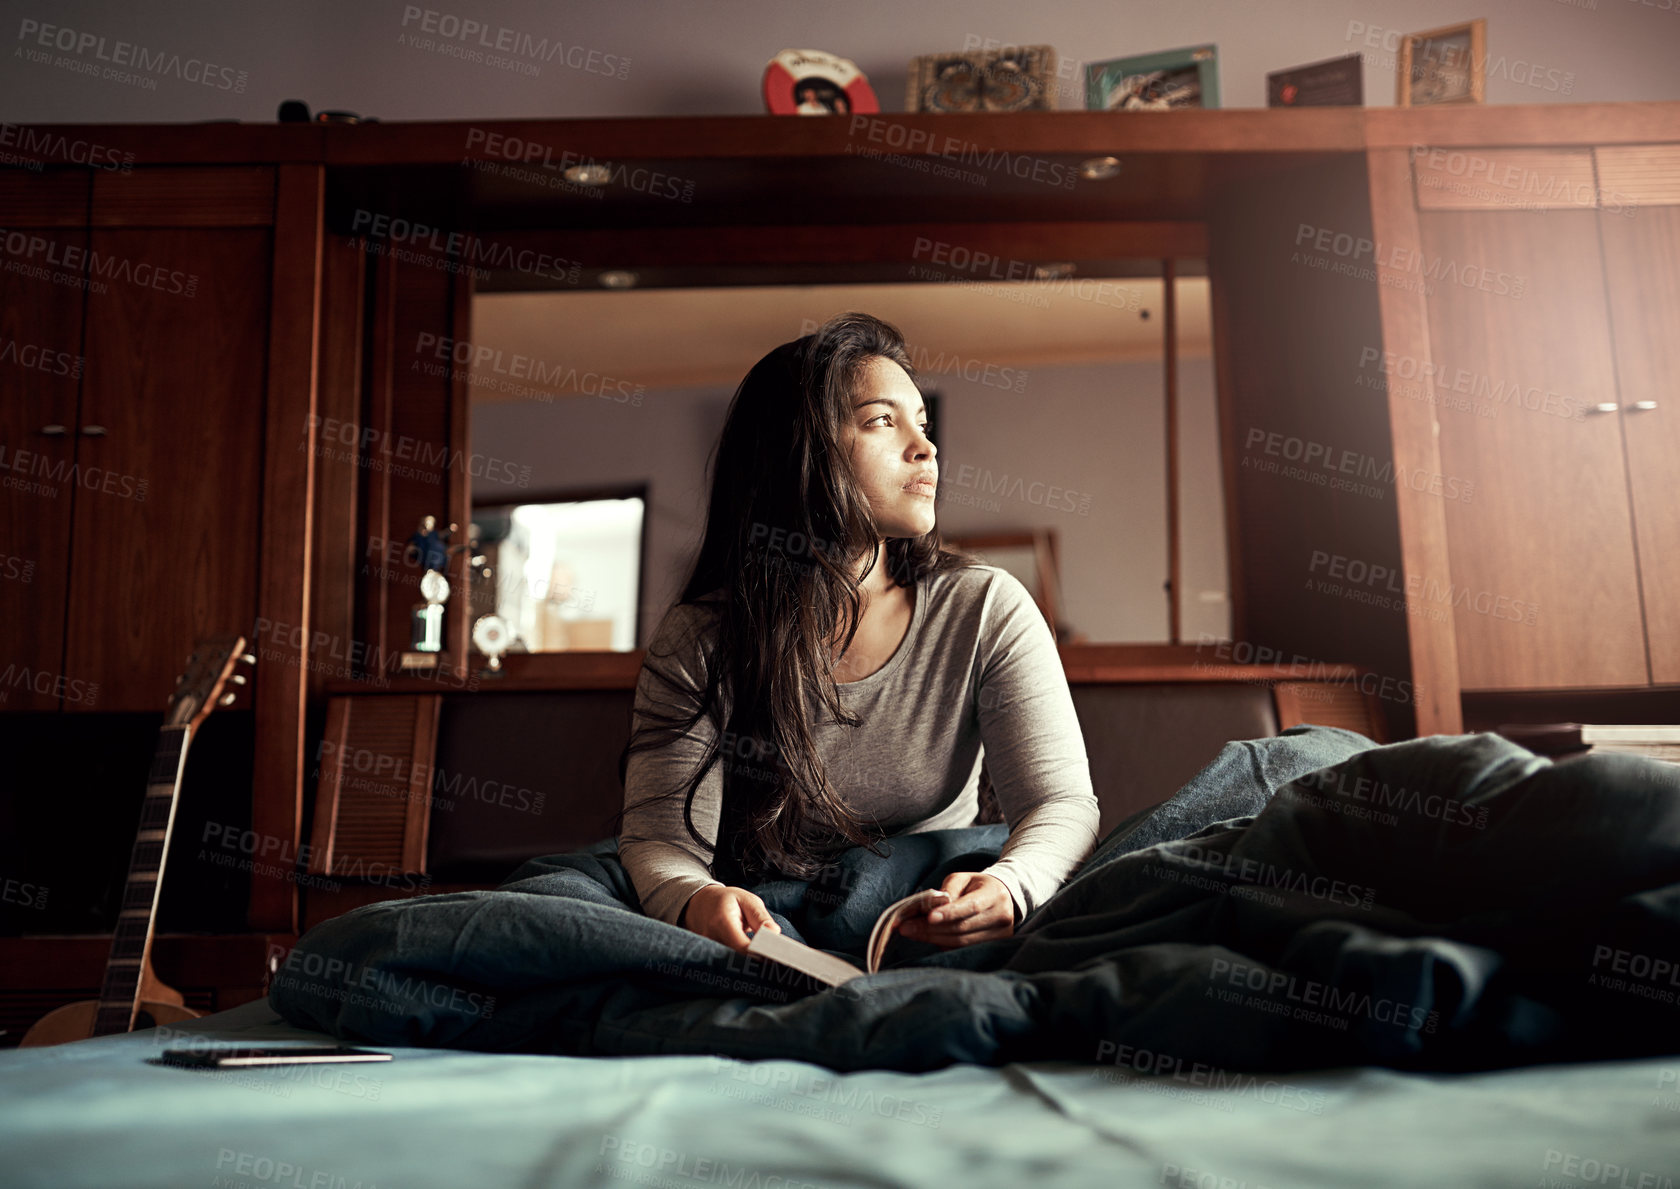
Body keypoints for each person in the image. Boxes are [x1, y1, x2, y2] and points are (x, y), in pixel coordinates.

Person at [614, 312, 1100, 957]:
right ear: (797, 450)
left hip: (925, 901)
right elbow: (662, 844)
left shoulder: (984, 606)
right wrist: (696, 898)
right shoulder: (702, 636)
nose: (926, 448)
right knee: (552, 900)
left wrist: (1011, 886)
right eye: (880, 421)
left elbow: (1061, 802)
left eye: (922, 424)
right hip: (770, 914)